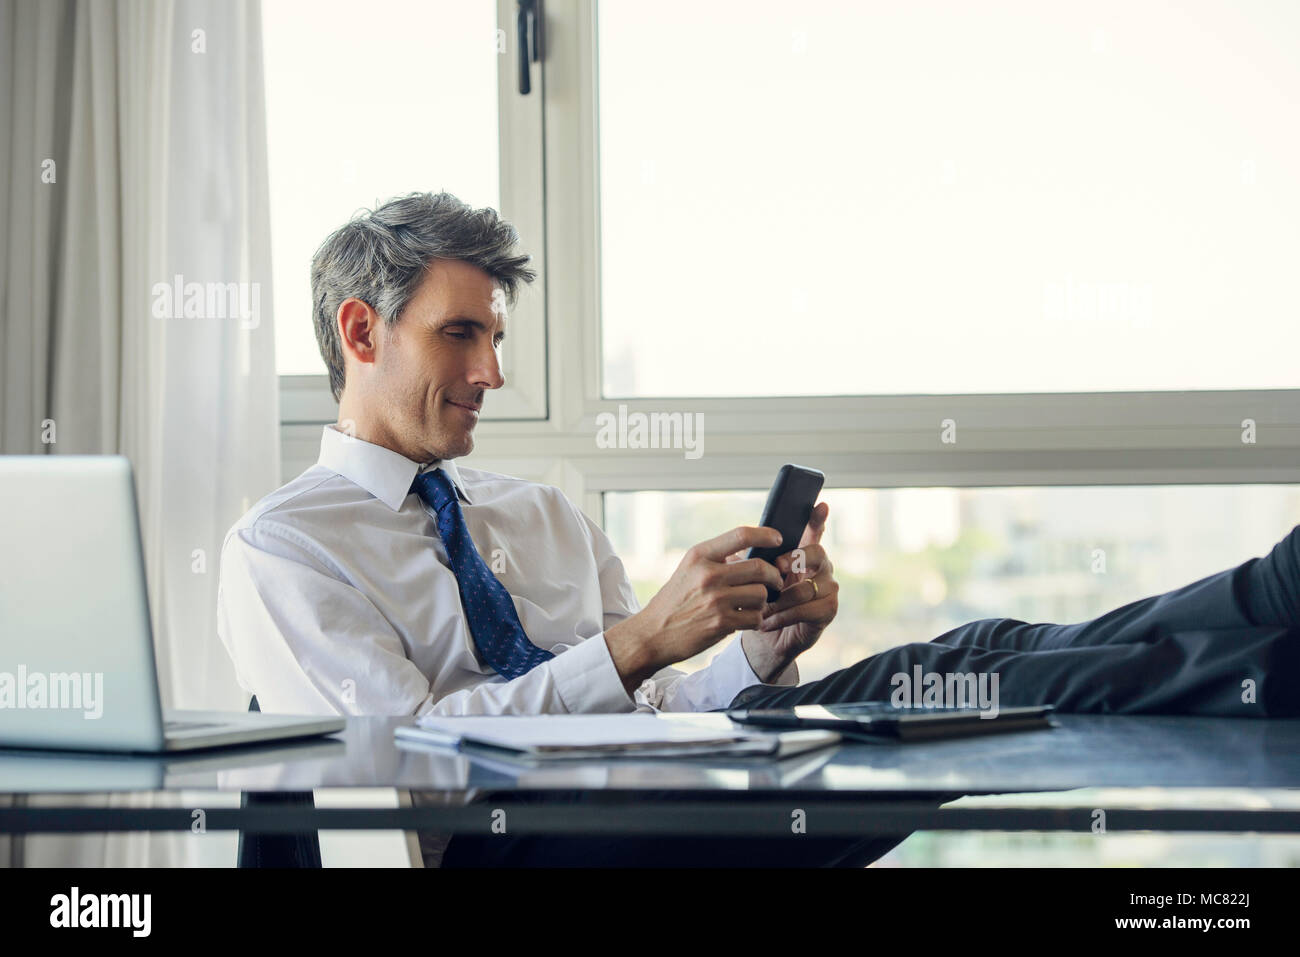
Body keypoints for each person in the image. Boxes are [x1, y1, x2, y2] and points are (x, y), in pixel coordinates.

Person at [217, 191, 1300, 867]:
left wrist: (753, 647)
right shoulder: (285, 548)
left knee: (972, 659)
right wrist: (638, 639)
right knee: (964, 697)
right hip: (520, 847)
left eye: (495, 337)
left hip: (666, 787)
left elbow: (651, 707)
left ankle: (1273, 595)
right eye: (461, 335)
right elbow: (402, 768)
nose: (493, 372)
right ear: (363, 331)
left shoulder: (532, 512)